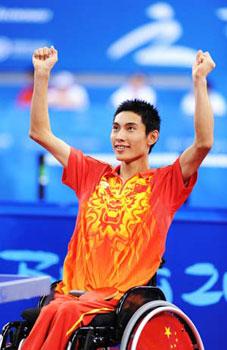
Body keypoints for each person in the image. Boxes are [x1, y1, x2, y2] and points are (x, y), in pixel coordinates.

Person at [22, 46, 215, 350]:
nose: (119, 136)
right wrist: (42, 75)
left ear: (152, 137)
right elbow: (40, 132)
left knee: (62, 311)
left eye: (129, 129)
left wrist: (199, 80)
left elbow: (203, 143)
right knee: (54, 309)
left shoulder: (166, 183)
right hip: (72, 292)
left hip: (117, 298)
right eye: (115, 128)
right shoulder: (91, 173)